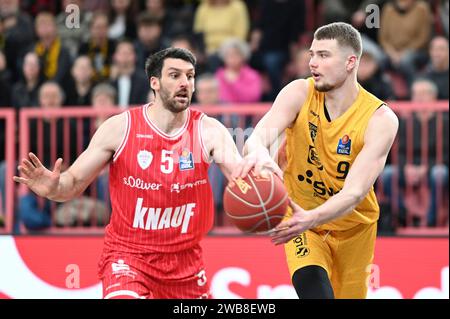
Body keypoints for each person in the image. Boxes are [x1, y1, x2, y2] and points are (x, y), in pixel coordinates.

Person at [13, 47, 241, 299]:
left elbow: (240, 178)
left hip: (185, 262)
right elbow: (73, 182)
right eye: (175, 75)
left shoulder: (209, 130)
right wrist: (54, 188)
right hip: (128, 256)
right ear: (154, 82)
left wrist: (262, 182)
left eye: (190, 76)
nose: (185, 83)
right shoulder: (120, 128)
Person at [233, 22, 399, 299]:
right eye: (312, 54)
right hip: (299, 216)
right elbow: (256, 139)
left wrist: (312, 218)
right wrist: (261, 157)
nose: (313, 63)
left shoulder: (380, 119)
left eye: (323, 55)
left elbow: (355, 193)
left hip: (353, 228)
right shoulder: (298, 91)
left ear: (350, 62)